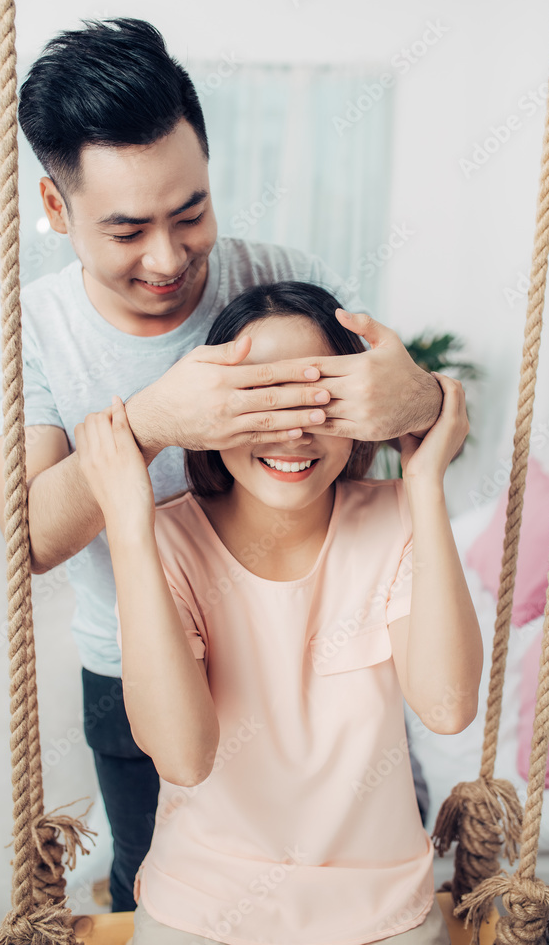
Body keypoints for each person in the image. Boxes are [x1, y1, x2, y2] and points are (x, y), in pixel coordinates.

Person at [0, 18, 444, 913]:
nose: (167, 257)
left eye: (190, 213)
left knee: (365, 886)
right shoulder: (25, 328)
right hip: (140, 664)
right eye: (126, 231)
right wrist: (153, 422)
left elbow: (396, 429)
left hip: (326, 655)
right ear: (54, 206)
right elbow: (27, 540)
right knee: (153, 887)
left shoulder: (280, 274)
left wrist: (415, 399)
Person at [75, 281, 482, 945]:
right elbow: (181, 756)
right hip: (200, 909)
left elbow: (446, 706)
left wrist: (427, 484)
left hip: (380, 911)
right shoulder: (166, 541)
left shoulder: (398, 520)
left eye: (318, 398)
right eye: (261, 402)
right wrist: (126, 523)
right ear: (210, 418)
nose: (292, 430)